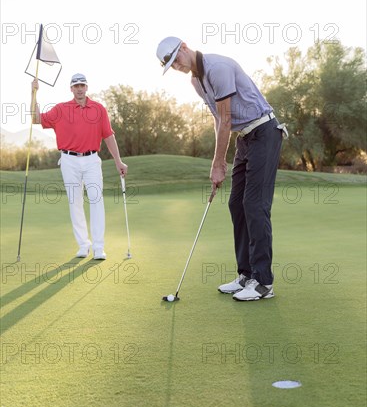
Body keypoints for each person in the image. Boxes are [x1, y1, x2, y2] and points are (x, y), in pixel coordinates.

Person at [156, 37, 287, 301]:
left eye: (176, 59)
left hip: (264, 131)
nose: (176, 66)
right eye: (171, 65)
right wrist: (218, 162)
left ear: (184, 47)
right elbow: (219, 121)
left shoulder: (217, 67)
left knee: (254, 205)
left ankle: (263, 283)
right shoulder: (196, 81)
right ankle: (246, 275)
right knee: (236, 204)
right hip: (245, 139)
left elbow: (227, 118)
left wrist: (218, 163)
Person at [31, 73, 128, 260]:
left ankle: (99, 248)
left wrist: (118, 161)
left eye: (82, 85)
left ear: (87, 87)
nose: (79, 88)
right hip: (69, 160)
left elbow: (108, 136)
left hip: (92, 159)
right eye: (76, 86)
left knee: (96, 200)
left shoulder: (99, 109)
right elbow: (36, 119)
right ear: (71, 89)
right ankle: (84, 245)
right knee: (75, 202)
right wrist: (34, 93)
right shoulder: (60, 109)